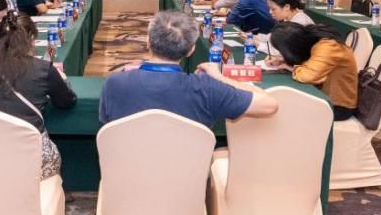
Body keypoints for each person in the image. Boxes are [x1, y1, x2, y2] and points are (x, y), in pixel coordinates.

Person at [99, 10, 278, 127]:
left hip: (128, 173)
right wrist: (220, 77)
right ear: (191, 50)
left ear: (148, 42)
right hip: (189, 174)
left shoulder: (114, 83)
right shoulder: (208, 88)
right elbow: (270, 104)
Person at [0, 13, 77, 178]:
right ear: (31, 39)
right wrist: (61, 80)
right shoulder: (43, 69)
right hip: (32, 157)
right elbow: (66, 102)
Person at [266, 22, 358, 121]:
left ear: (291, 46)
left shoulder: (328, 46)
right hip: (323, 97)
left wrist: (290, 67)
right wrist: (283, 60)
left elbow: (308, 76)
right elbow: (310, 61)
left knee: (282, 109)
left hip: (337, 107)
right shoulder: (312, 38)